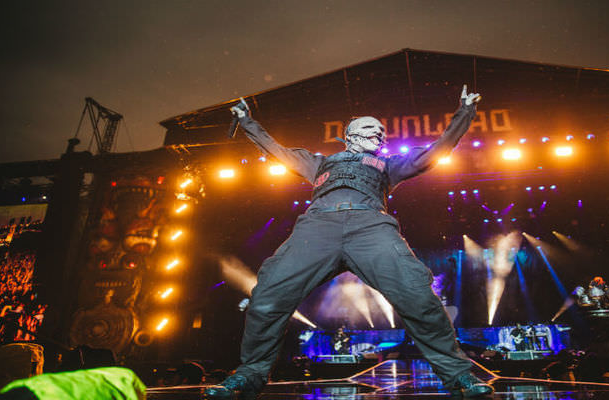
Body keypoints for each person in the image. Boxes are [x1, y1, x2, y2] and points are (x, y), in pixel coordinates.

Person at [205, 85, 493, 399]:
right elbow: (276, 149)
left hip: (371, 227)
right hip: (317, 228)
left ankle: (459, 376)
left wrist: (465, 112)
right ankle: (249, 376)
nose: (380, 134)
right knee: (268, 297)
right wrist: (247, 121)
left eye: (383, 131)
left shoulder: (389, 165)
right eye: (371, 128)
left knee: (418, 296)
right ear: (350, 135)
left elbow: (434, 152)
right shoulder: (318, 163)